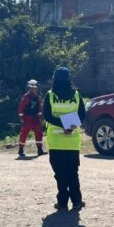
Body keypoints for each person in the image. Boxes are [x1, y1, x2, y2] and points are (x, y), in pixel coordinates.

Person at [43, 67, 86, 211]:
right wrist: (70, 125)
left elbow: (47, 116)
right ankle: (77, 201)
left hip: (55, 141)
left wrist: (61, 124)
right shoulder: (76, 95)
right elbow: (82, 115)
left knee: (60, 174)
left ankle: (62, 202)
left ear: (54, 79)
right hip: (72, 140)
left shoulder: (49, 95)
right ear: (69, 79)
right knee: (73, 172)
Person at [17, 79, 46, 157]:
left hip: (35, 119)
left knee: (39, 133)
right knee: (24, 134)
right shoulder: (26, 97)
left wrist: (40, 116)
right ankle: (21, 150)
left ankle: (40, 150)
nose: (36, 89)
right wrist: (21, 119)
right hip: (27, 119)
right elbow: (21, 108)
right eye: (35, 88)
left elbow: (40, 108)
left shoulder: (37, 97)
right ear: (31, 88)